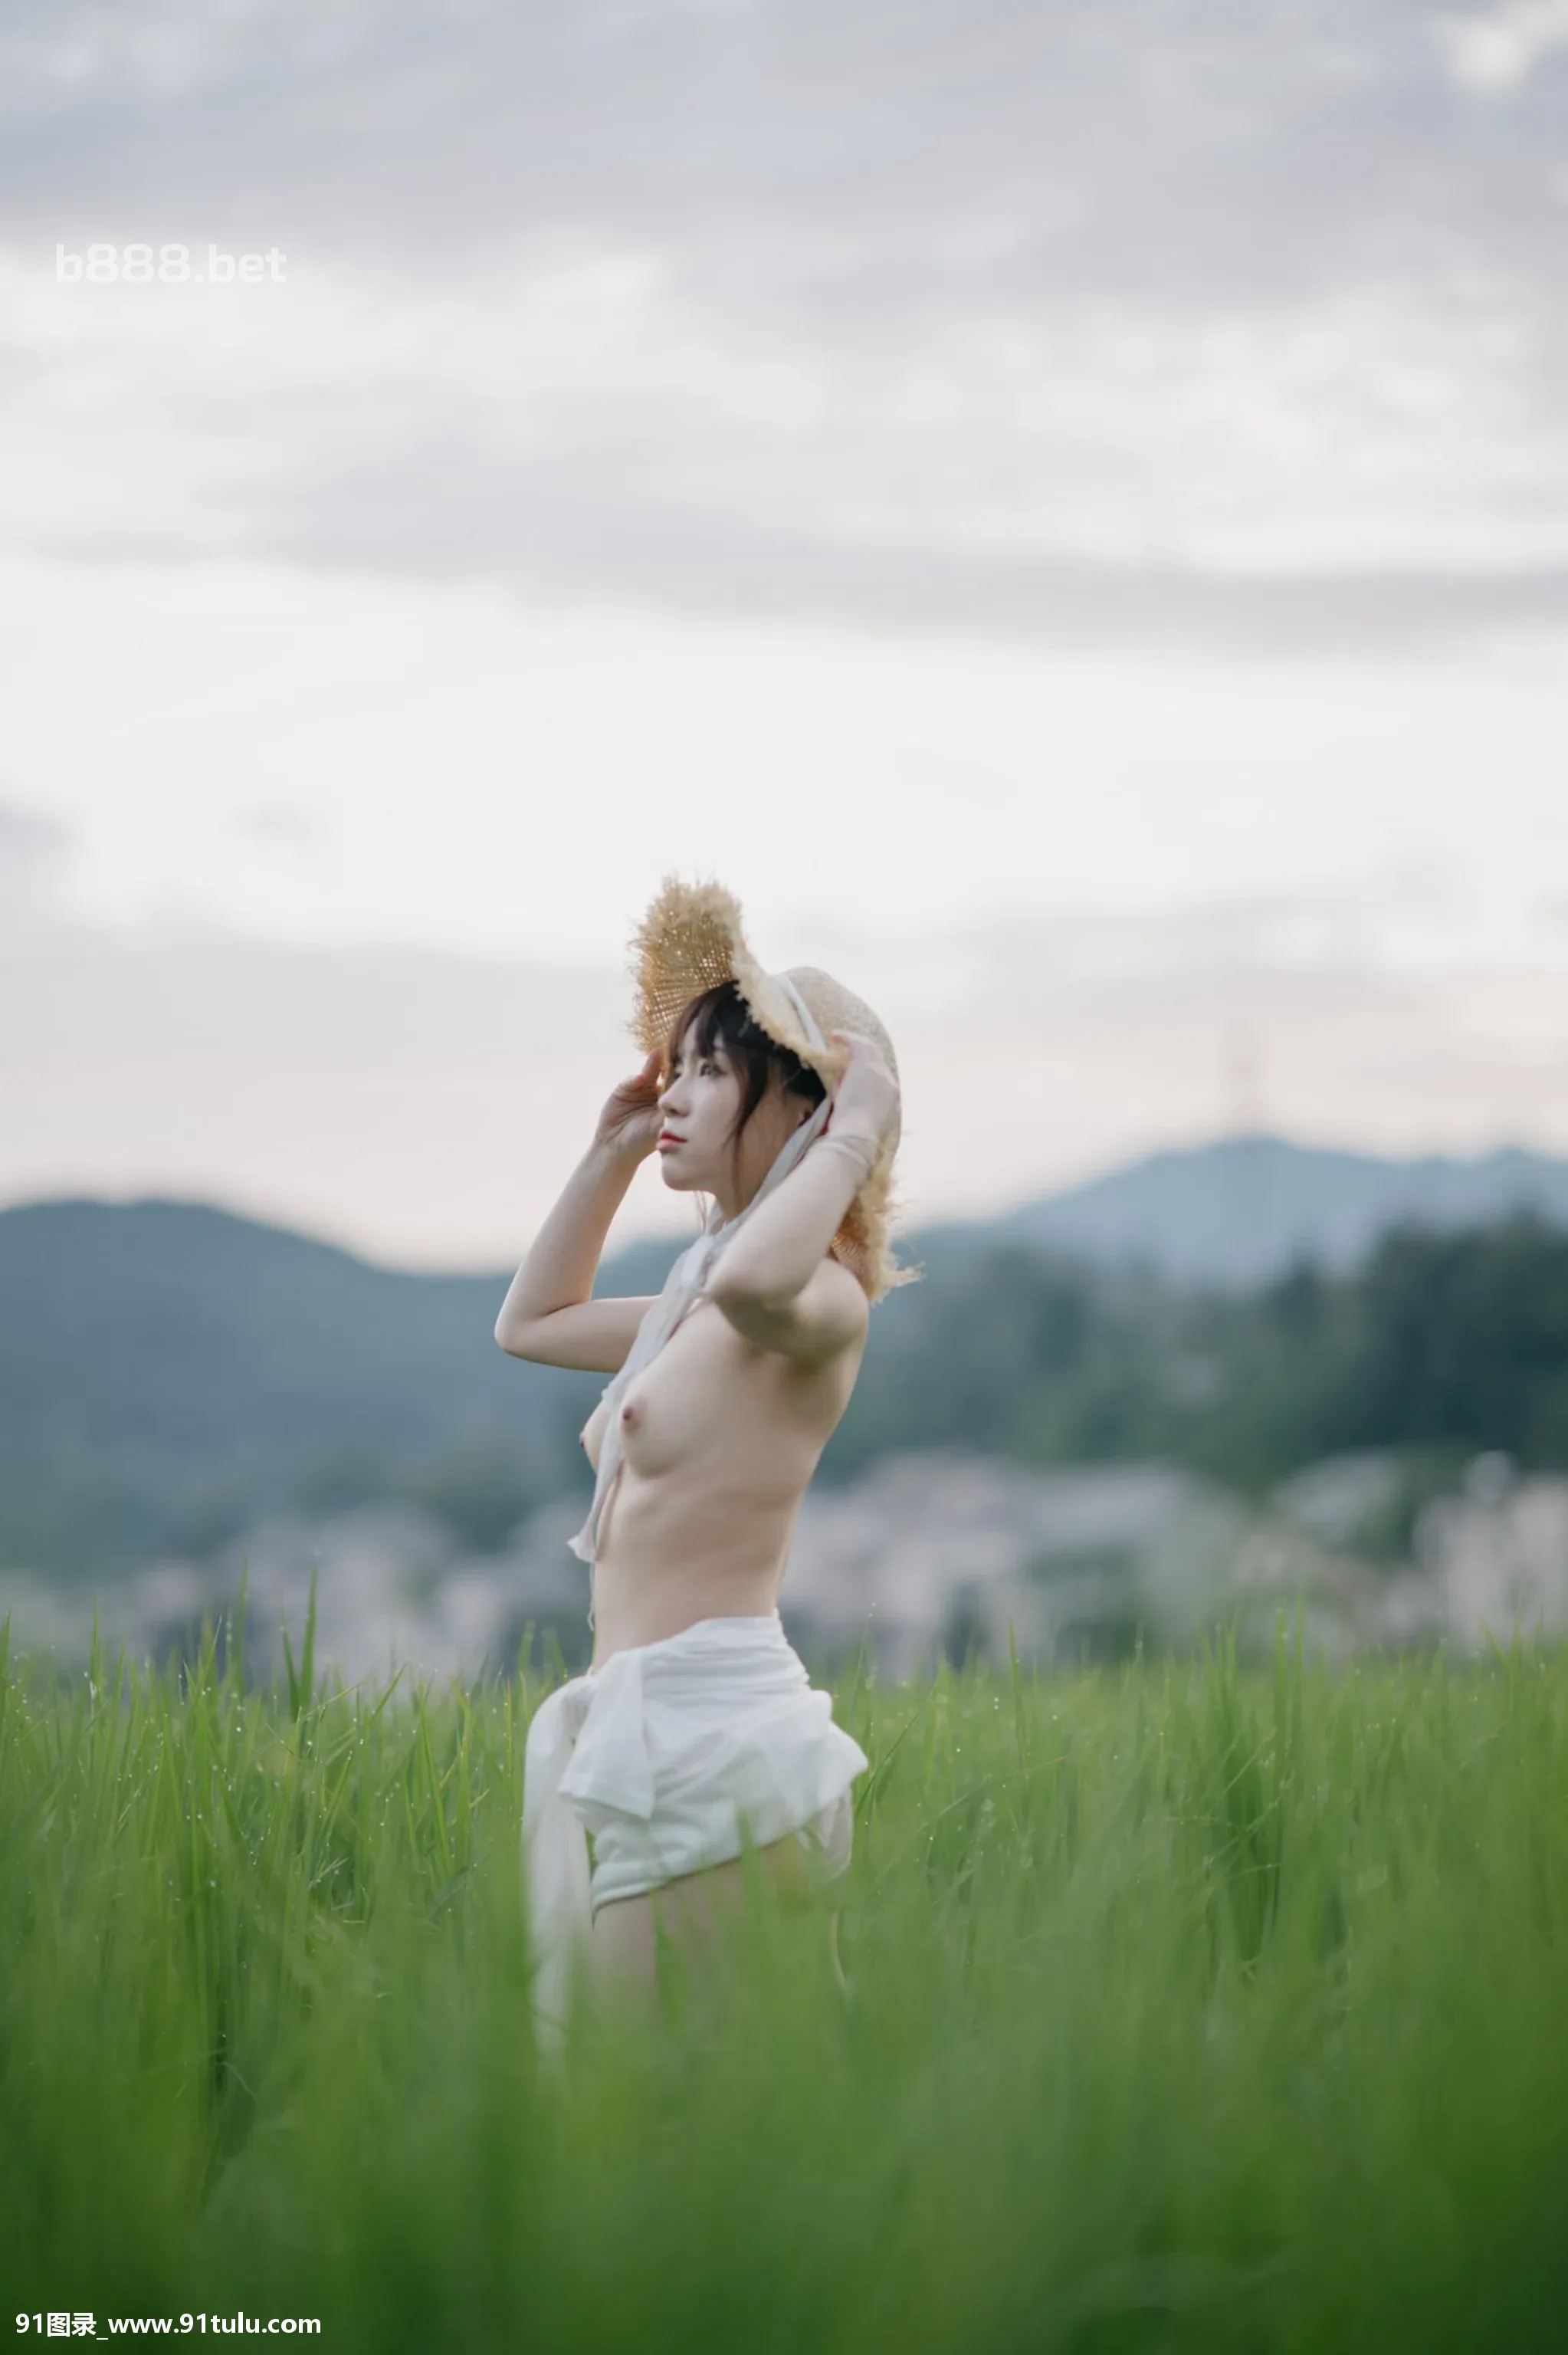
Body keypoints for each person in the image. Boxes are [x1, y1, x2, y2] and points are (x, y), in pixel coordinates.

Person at [496, 872, 923, 2047]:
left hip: (713, 1730)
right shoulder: (689, 1310)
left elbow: (754, 1277)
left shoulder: (818, 1301)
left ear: (798, 1106)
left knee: (665, 2102)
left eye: (709, 1071)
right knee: (667, 2098)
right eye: (673, 1068)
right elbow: (529, 1324)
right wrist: (610, 1153)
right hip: (654, 1724)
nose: (675, 1093)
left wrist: (857, 1131)